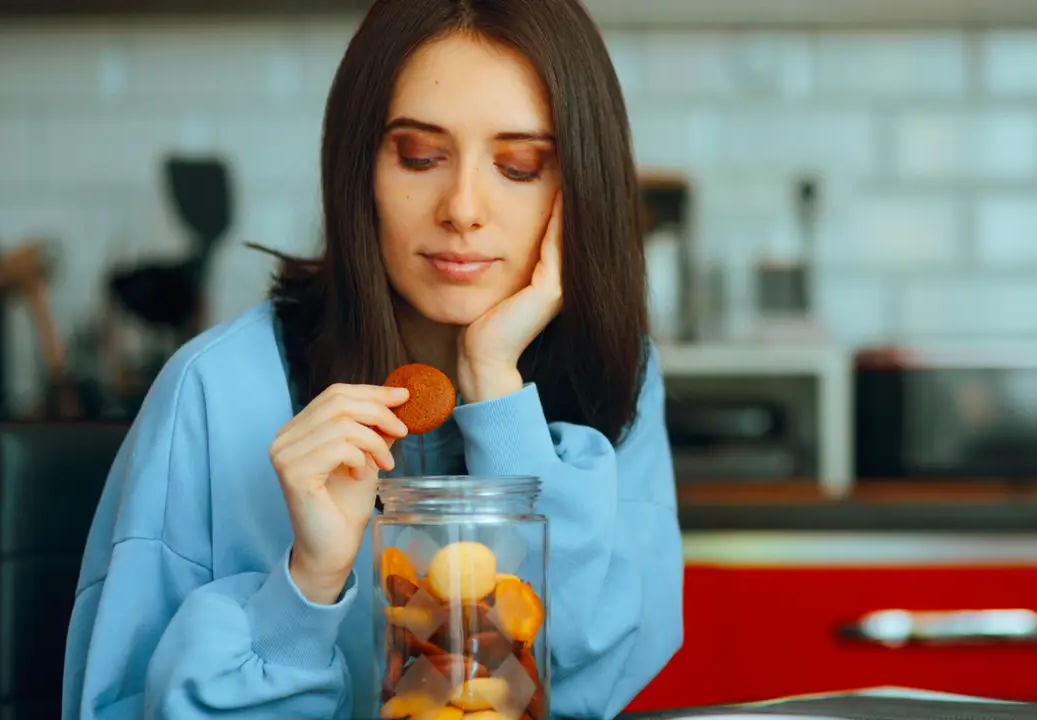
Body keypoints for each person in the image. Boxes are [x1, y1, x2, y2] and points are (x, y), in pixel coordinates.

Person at [61, 0, 683, 717]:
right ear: (360, 166)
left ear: (580, 188)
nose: (462, 207)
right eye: (420, 157)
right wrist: (309, 583)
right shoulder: (215, 390)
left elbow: (583, 687)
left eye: (519, 166)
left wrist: (495, 390)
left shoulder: (615, 374)